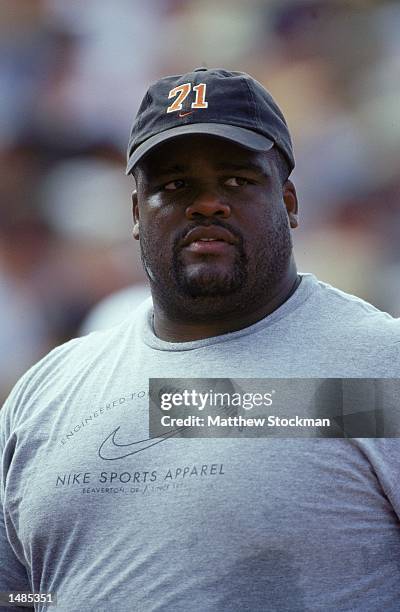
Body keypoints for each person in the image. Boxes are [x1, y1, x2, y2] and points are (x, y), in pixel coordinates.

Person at [1, 67, 400, 612]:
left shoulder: (381, 368)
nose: (207, 204)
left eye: (236, 180)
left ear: (288, 202)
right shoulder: (47, 393)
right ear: (138, 214)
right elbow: (19, 591)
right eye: (174, 185)